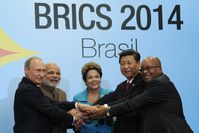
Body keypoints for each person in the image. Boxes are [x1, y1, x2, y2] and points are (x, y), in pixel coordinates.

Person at [88, 56, 193, 133]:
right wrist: (103, 107)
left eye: (149, 68)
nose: (145, 72)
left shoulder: (159, 83)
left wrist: (106, 111)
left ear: (159, 68)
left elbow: (133, 103)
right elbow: (130, 99)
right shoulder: (150, 84)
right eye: (142, 69)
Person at [13, 57, 85, 133]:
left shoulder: (34, 88)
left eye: (43, 71)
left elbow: (54, 104)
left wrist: (77, 105)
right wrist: (73, 118)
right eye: (38, 70)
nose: (41, 74)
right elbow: (51, 110)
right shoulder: (28, 89)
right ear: (26, 70)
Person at [94, 49, 146, 133]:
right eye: (122, 64)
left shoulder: (144, 82)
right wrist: (91, 108)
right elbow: (109, 97)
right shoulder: (121, 86)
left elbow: (129, 102)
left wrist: (104, 109)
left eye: (129, 63)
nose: (125, 67)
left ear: (138, 63)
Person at [73, 61, 113, 133]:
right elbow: (75, 125)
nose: (94, 80)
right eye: (90, 77)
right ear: (85, 81)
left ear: (100, 78)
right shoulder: (77, 98)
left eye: (97, 77)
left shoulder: (111, 94)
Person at [40, 63, 67, 133]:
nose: (55, 76)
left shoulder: (62, 94)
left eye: (58, 74)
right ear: (42, 74)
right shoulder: (36, 92)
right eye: (50, 73)